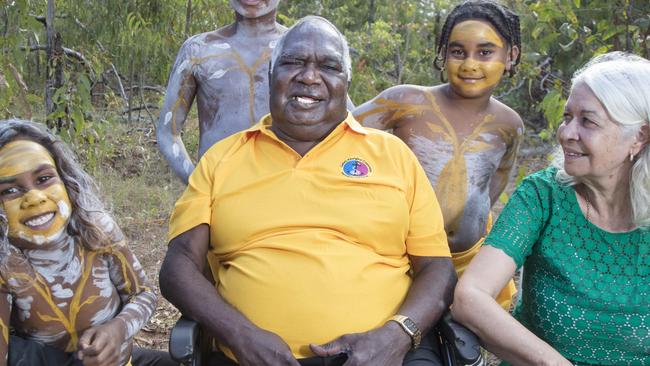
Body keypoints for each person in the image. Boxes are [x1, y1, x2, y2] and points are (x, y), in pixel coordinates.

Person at [159, 16, 456, 366]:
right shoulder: (222, 160)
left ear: (347, 82)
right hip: (249, 357)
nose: (310, 76)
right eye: (293, 62)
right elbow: (178, 266)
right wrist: (240, 334)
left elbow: (437, 268)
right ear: (271, 74)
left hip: (385, 355)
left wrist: (396, 335)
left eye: (329, 66)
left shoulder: (392, 156)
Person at [452, 52, 650, 365]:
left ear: (639, 136)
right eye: (567, 117)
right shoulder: (543, 197)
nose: (567, 133)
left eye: (588, 121)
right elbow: (470, 297)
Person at [353, 0, 522, 309]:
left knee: (462, 344)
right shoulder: (405, 102)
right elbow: (340, 134)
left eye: (485, 52)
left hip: (466, 258)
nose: (470, 64)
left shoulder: (509, 125)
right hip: (403, 256)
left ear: (510, 56)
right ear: (443, 54)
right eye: (458, 52)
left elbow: (494, 182)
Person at [0, 120, 175, 366]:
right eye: (9, 191)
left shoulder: (95, 229)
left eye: (44, 179)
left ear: (65, 180)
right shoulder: (6, 263)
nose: (34, 198)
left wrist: (118, 330)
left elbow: (143, 294)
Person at [156, 0, 286, 184]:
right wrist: (198, 184)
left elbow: (340, 125)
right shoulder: (198, 50)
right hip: (218, 194)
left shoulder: (301, 49)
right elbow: (168, 132)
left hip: (284, 192)